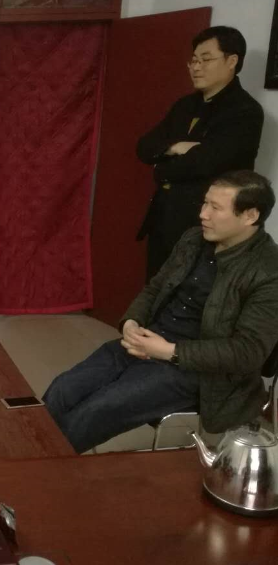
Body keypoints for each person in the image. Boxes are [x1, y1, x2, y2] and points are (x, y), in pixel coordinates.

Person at [43, 171, 278, 454]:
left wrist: (169, 351)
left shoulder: (268, 270)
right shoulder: (193, 239)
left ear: (250, 215)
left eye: (215, 208)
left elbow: (248, 352)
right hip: (149, 342)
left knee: (96, 410)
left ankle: (36, 470)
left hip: (199, 372)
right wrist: (132, 322)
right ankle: (24, 456)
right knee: (63, 390)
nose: (203, 214)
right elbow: (155, 288)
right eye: (205, 203)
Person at [136, 26, 263, 279]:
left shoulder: (244, 111)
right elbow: (144, 147)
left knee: (191, 294)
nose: (196, 67)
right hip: (163, 218)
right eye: (193, 60)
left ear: (231, 61)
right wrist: (176, 147)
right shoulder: (185, 105)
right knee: (155, 288)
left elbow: (204, 163)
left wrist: (162, 167)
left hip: (206, 225)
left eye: (205, 59)